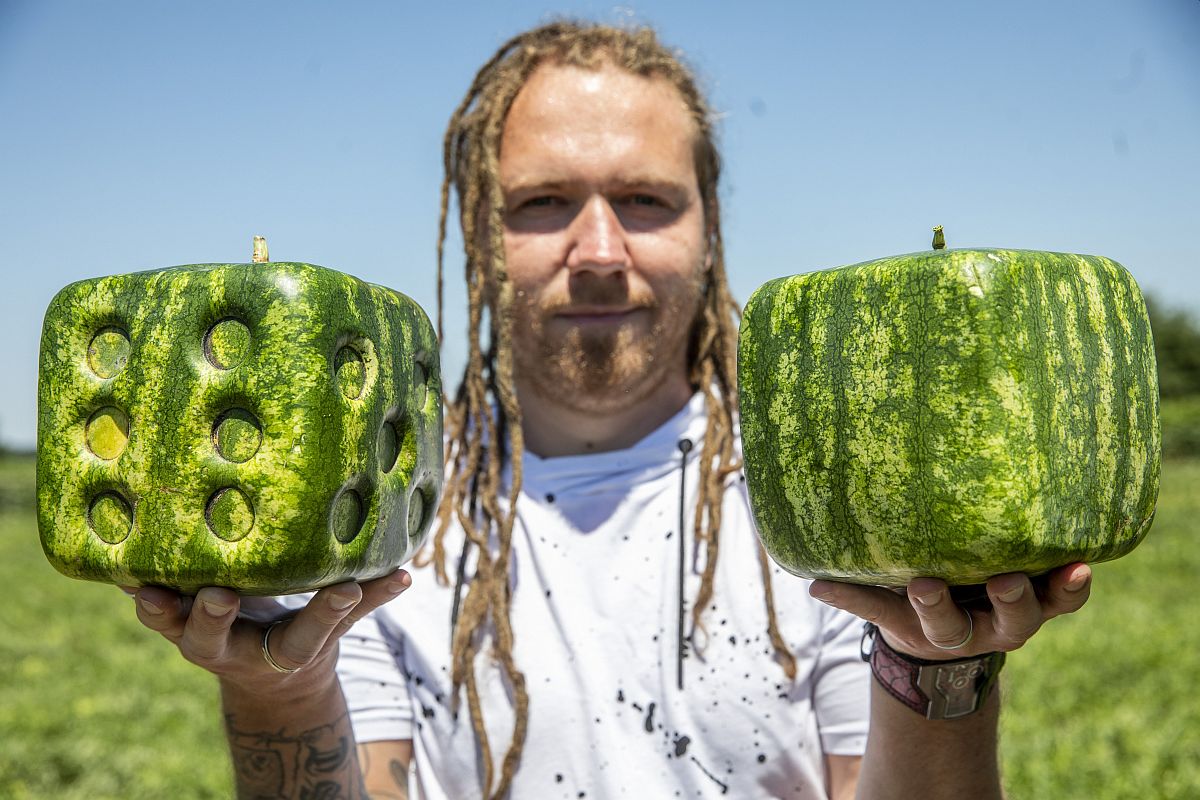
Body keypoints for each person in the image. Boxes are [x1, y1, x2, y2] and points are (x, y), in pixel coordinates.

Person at [130, 21, 1093, 800]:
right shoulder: (379, 521)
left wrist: (935, 675)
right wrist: (276, 689)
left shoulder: (833, 503)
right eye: (543, 202)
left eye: (643, 200)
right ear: (478, 236)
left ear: (708, 230)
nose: (597, 248)